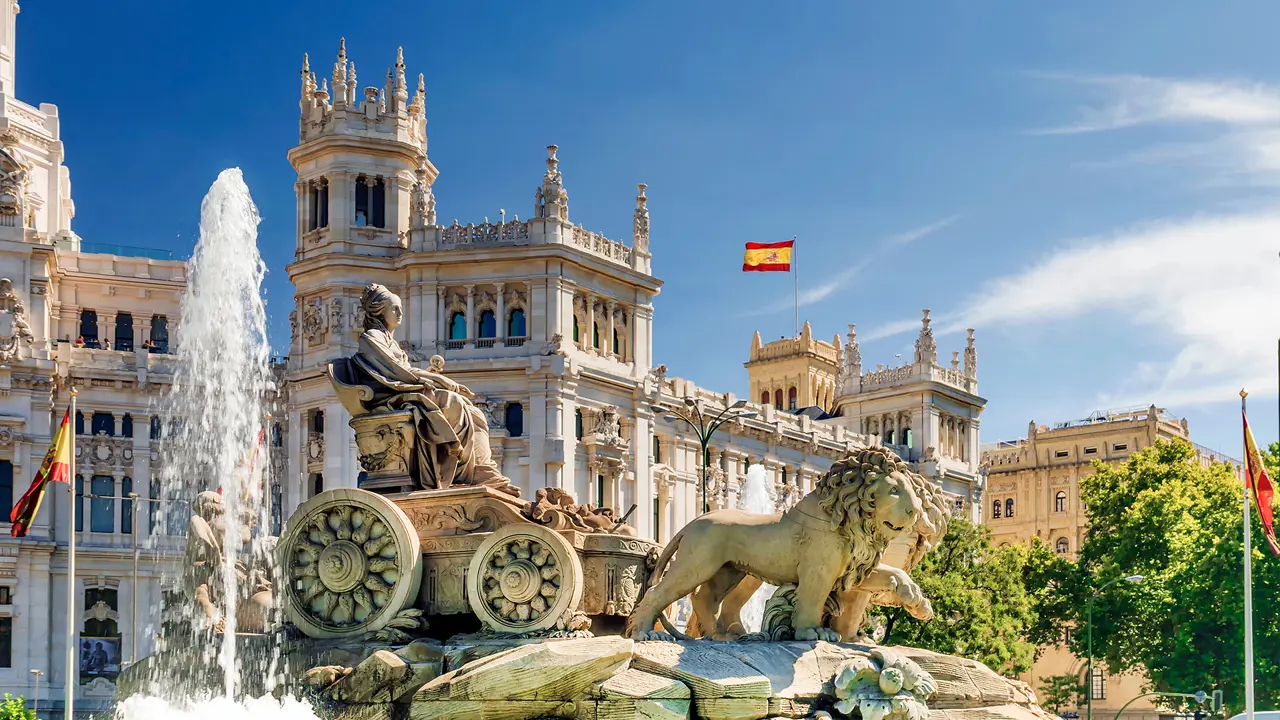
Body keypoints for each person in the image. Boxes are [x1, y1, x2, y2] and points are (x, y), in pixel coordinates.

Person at [342, 283, 516, 494]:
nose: (400, 314)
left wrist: (432, 379)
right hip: (390, 398)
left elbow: (402, 371)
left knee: (475, 413)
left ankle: (480, 469)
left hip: (404, 391)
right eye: (394, 309)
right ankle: (459, 467)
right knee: (453, 402)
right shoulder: (371, 338)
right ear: (379, 310)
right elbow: (397, 372)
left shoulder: (390, 341)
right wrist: (441, 381)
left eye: (401, 309)